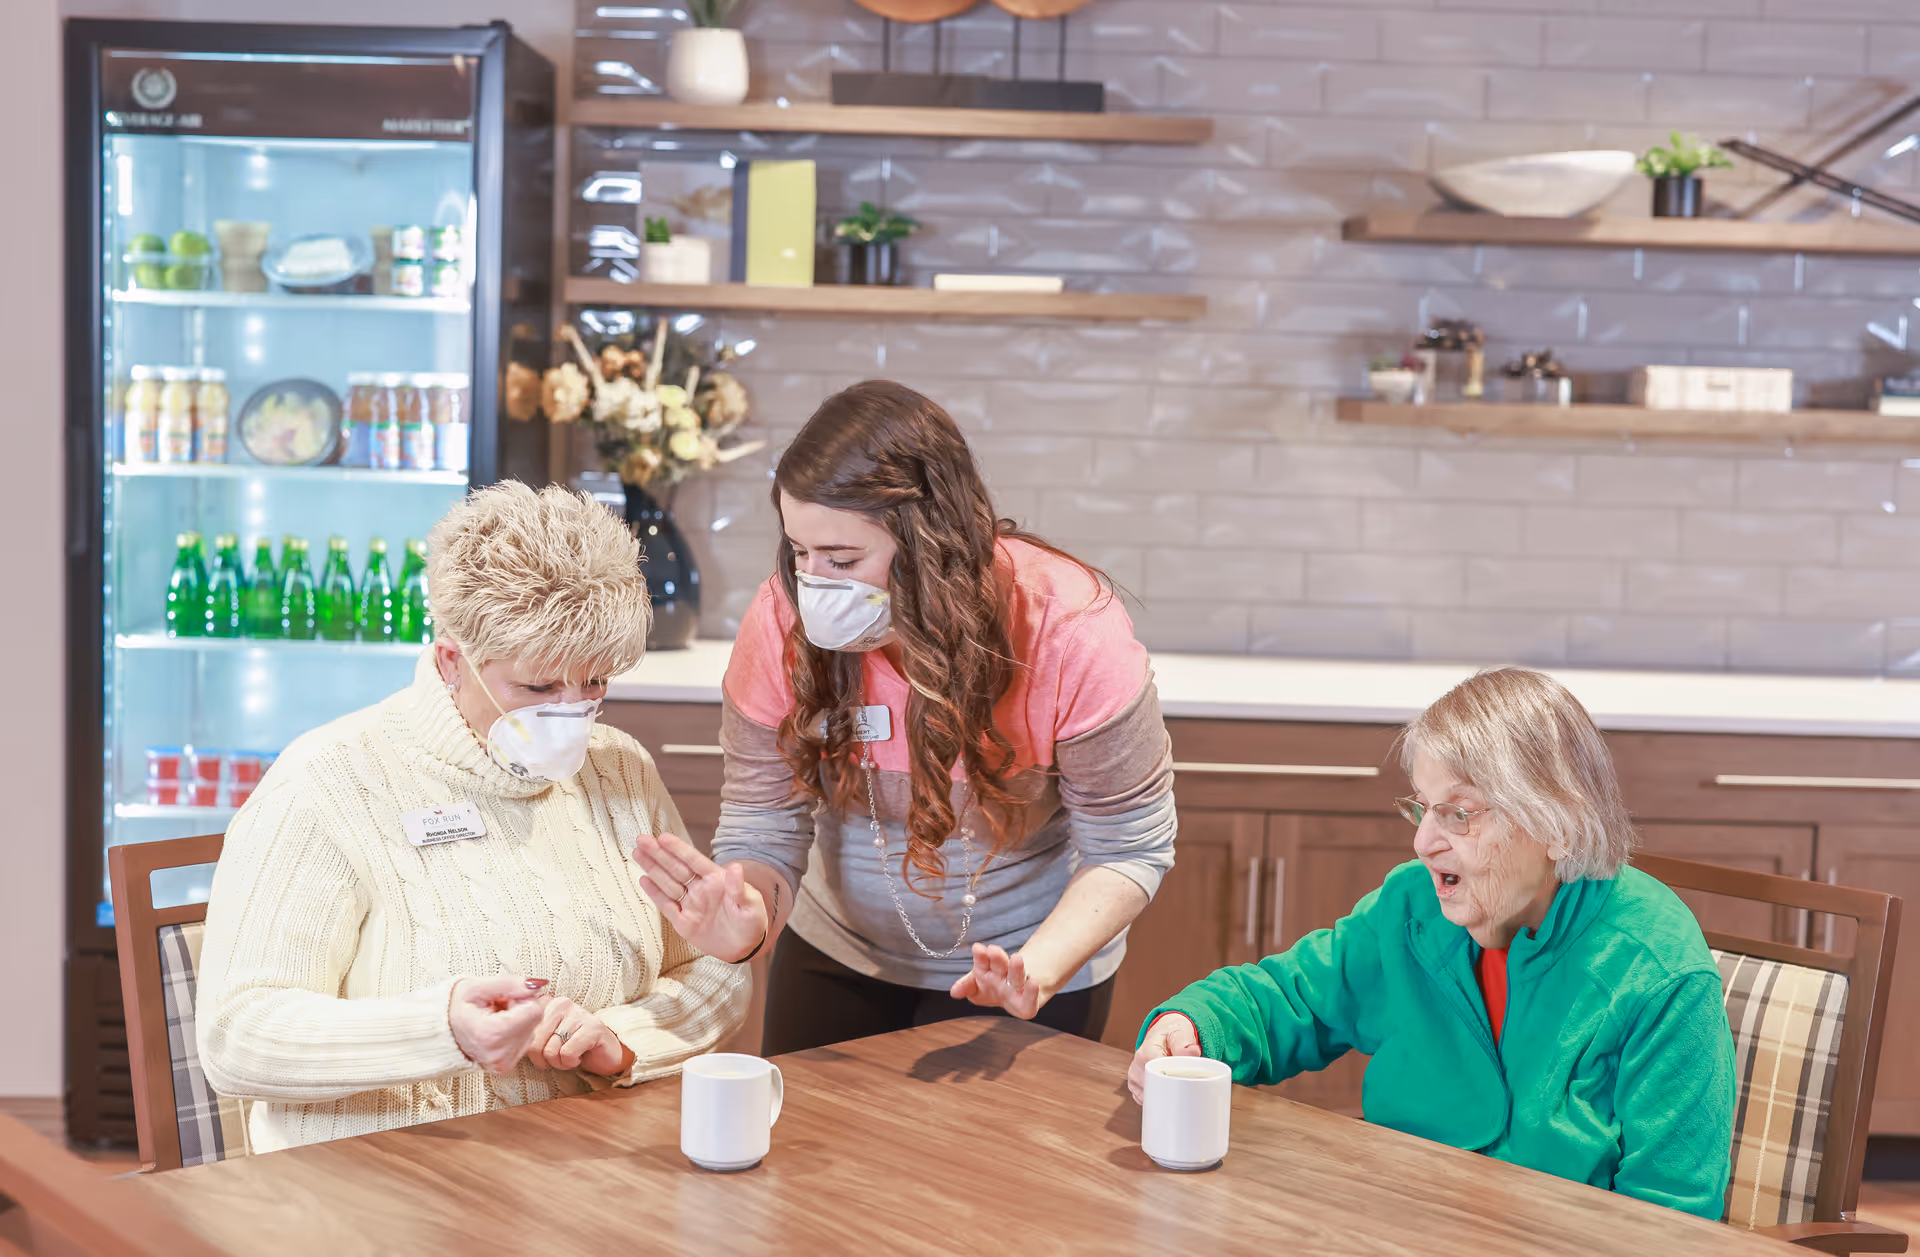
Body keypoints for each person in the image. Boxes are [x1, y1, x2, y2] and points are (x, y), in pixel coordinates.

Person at [196, 482, 749, 1152]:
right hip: (373, 1183)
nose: (572, 709)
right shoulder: (329, 782)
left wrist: (624, 1040)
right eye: (539, 686)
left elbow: (711, 973)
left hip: (577, 1168)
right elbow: (236, 1034)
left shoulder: (620, 770)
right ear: (453, 660)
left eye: (595, 681)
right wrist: (441, 1030)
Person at [632, 380, 1177, 1052]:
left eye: (843, 559)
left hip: (1033, 967)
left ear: (932, 541)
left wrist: (1035, 969)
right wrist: (745, 920)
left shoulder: (1069, 629)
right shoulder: (781, 620)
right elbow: (764, 824)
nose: (813, 584)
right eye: (800, 554)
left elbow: (1129, 845)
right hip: (840, 953)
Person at [1130, 667, 1736, 1219]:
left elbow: (1673, 1222)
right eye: (1422, 809)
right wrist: (1193, 1024)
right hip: (1393, 1217)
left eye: (1458, 814)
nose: (1423, 843)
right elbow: (1291, 998)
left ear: (1557, 823)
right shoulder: (1412, 906)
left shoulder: (1660, 975)